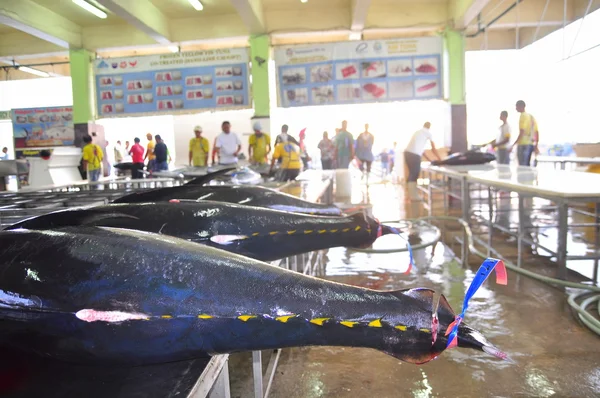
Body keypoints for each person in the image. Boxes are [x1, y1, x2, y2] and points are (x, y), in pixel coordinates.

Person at [404, 122, 441, 200]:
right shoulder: (428, 133)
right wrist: (439, 159)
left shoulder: (418, 133)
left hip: (407, 153)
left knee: (412, 173)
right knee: (414, 173)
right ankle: (413, 196)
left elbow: (421, 150)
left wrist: (430, 160)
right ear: (429, 127)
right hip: (414, 155)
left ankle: (409, 195)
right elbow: (433, 148)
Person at [510, 100, 539, 166]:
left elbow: (522, 132)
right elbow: (536, 132)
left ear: (521, 106)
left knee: (522, 167)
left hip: (523, 144)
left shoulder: (522, 116)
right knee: (527, 166)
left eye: (516, 106)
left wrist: (514, 144)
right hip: (530, 144)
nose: (516, 108)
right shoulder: (531, 117)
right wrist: (536, 145)